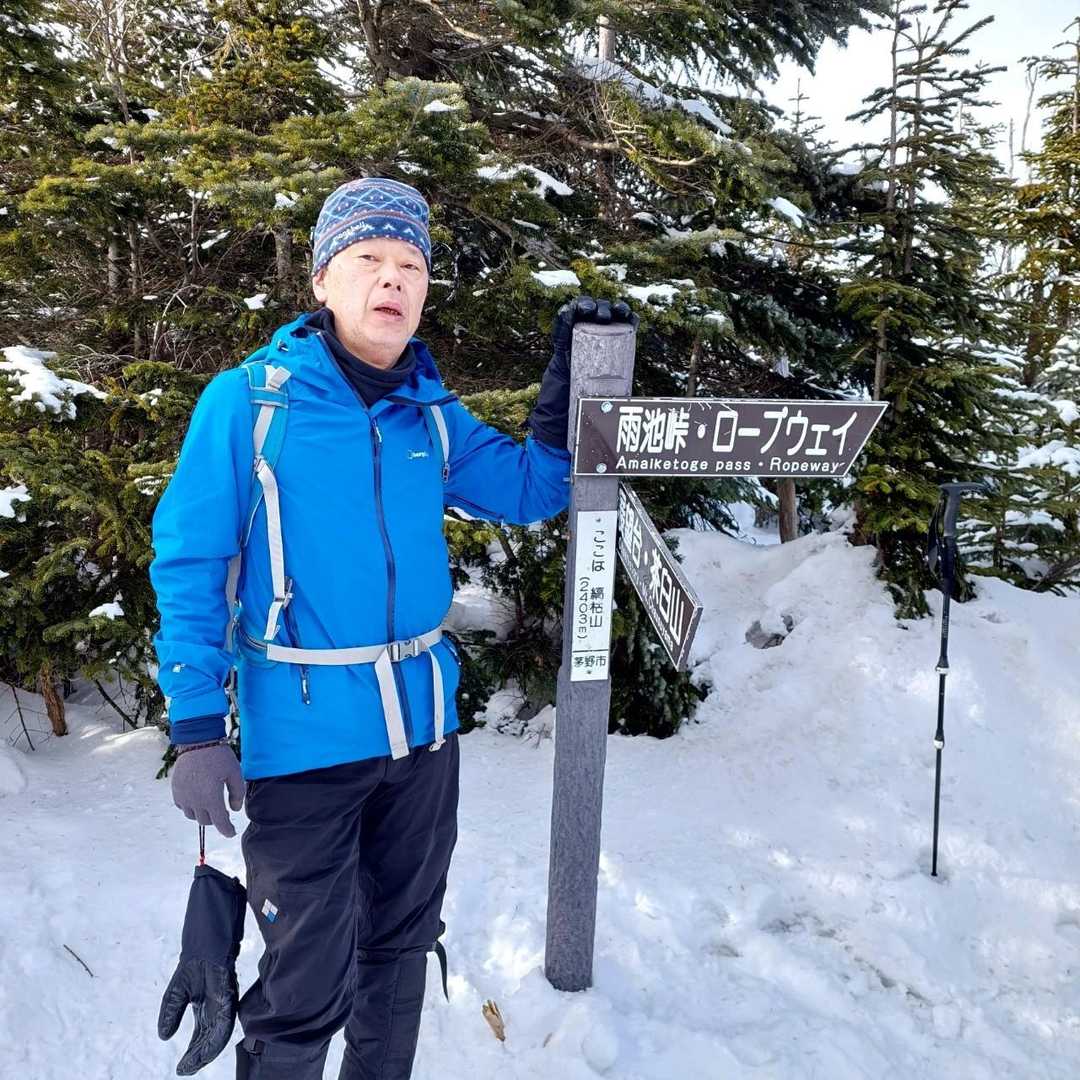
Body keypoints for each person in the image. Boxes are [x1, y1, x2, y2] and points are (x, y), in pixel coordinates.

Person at [149, 176, 636, 1080]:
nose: (392, 279)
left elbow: (530, 489)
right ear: (323, 280)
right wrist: (197, 727)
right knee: (303, 985)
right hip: (304, 743)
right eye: (368, 258)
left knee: (400, 956)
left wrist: (568, 384)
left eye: (411, 265)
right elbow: (190, 561)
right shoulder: (251, 404)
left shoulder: (428, 413)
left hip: (422, 740)